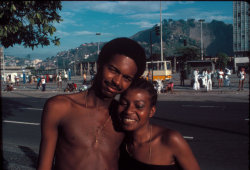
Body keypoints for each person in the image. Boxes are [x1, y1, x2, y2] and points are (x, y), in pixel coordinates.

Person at [37, 37, 146, 170]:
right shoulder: (59, 107)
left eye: (126, 78)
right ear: (99, 64)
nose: (117, 81)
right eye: (113, 70)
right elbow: (44, 166)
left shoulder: (124, 117)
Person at [118, 78, 200, 170]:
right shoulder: (119, 140)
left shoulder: (170, 139)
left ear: (151, 111)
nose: (128, 111)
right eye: (123, 103)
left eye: (139, 106)